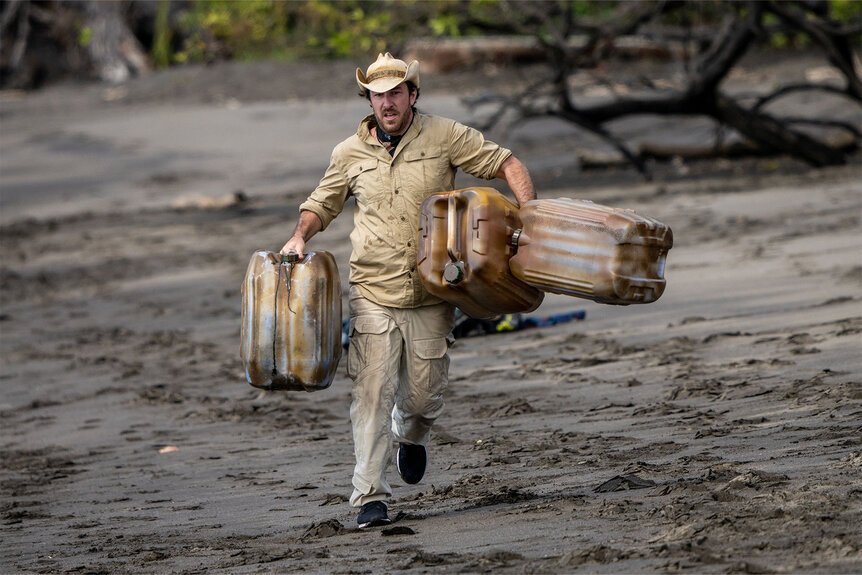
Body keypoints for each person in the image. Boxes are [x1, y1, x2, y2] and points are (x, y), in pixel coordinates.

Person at [280, 53, 537, 529]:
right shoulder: (348, 152)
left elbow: (507, 163)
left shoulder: (445, 135)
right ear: (369, 100)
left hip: (435, 290)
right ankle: (369, 497)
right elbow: (322, 203)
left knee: (422, 398)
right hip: (372, 290)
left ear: (412, 94)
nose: (387, 103)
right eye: (378, 95)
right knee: (371, 391)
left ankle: (411, 434)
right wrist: (300, 235)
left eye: (396, 92)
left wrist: (534, 217)